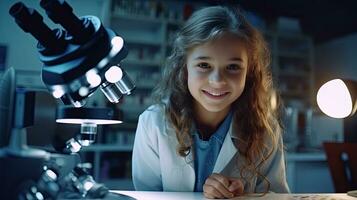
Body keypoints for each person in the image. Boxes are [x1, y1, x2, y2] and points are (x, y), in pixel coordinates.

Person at [132, 5, 290, 199]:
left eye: (233, 67)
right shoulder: (153, 123)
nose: (217, 81)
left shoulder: (265, 130)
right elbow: (146, 196)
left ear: (249, 73)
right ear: (184, 67)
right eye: (204, 65)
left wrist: (246, 196)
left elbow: (278, 196)